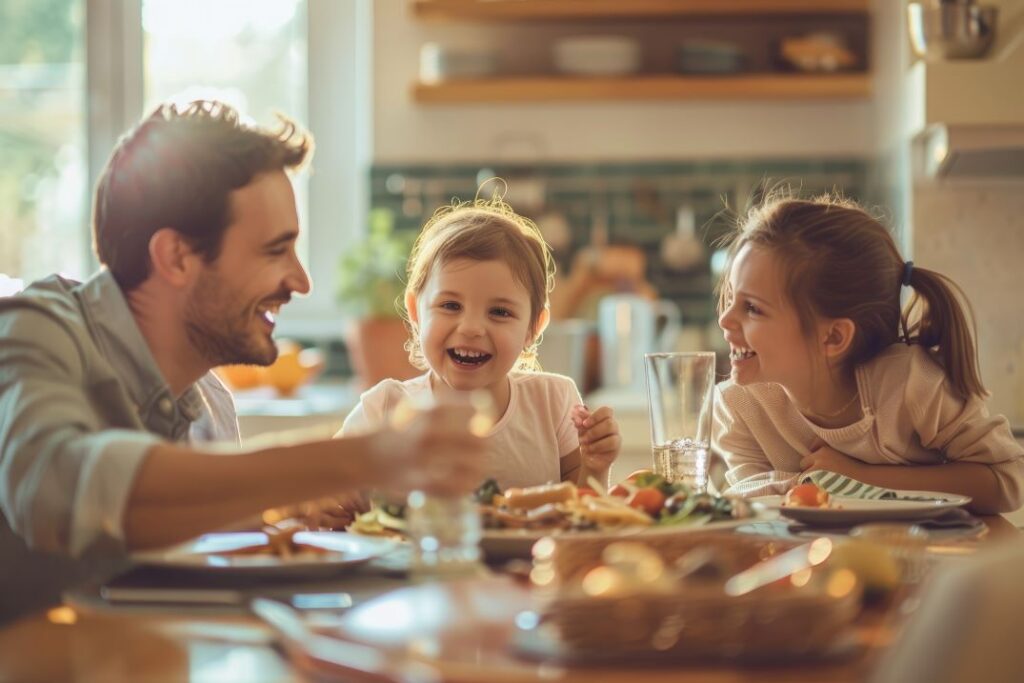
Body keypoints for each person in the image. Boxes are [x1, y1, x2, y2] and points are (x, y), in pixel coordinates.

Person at [0, 101, 484, 622]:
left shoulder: (210, 404)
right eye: (275, 251)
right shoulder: (34, 332)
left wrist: (280, 512)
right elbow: (62, 490)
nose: (301, 281)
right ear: (176, 257)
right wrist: (366, 456)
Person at [314, 193, 623, 529]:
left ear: (533, 328)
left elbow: (581, 516)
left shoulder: (554, 401)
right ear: (417, 312)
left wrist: (595, 464)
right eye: (450, 306)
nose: (472, 328)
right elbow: (322, 491)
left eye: (500, 312)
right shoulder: (384, 407)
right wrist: (327, 503)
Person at [711, 192, 1024, 514]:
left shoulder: (912, 385)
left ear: (833, 337)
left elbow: (1007, 483)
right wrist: (811, 484)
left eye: (752, 308)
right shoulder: (739, 405)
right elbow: (749, 505)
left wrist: (860, 477)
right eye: (732, 297)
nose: (724, 319)